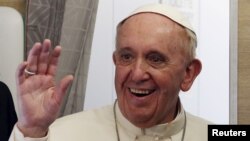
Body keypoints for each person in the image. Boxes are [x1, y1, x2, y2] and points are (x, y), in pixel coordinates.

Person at [9, 3, 212, 141]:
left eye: (155, 59)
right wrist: (32, 130)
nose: (137, 73)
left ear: (188, 74)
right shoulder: (57, 134)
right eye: (127, 57)